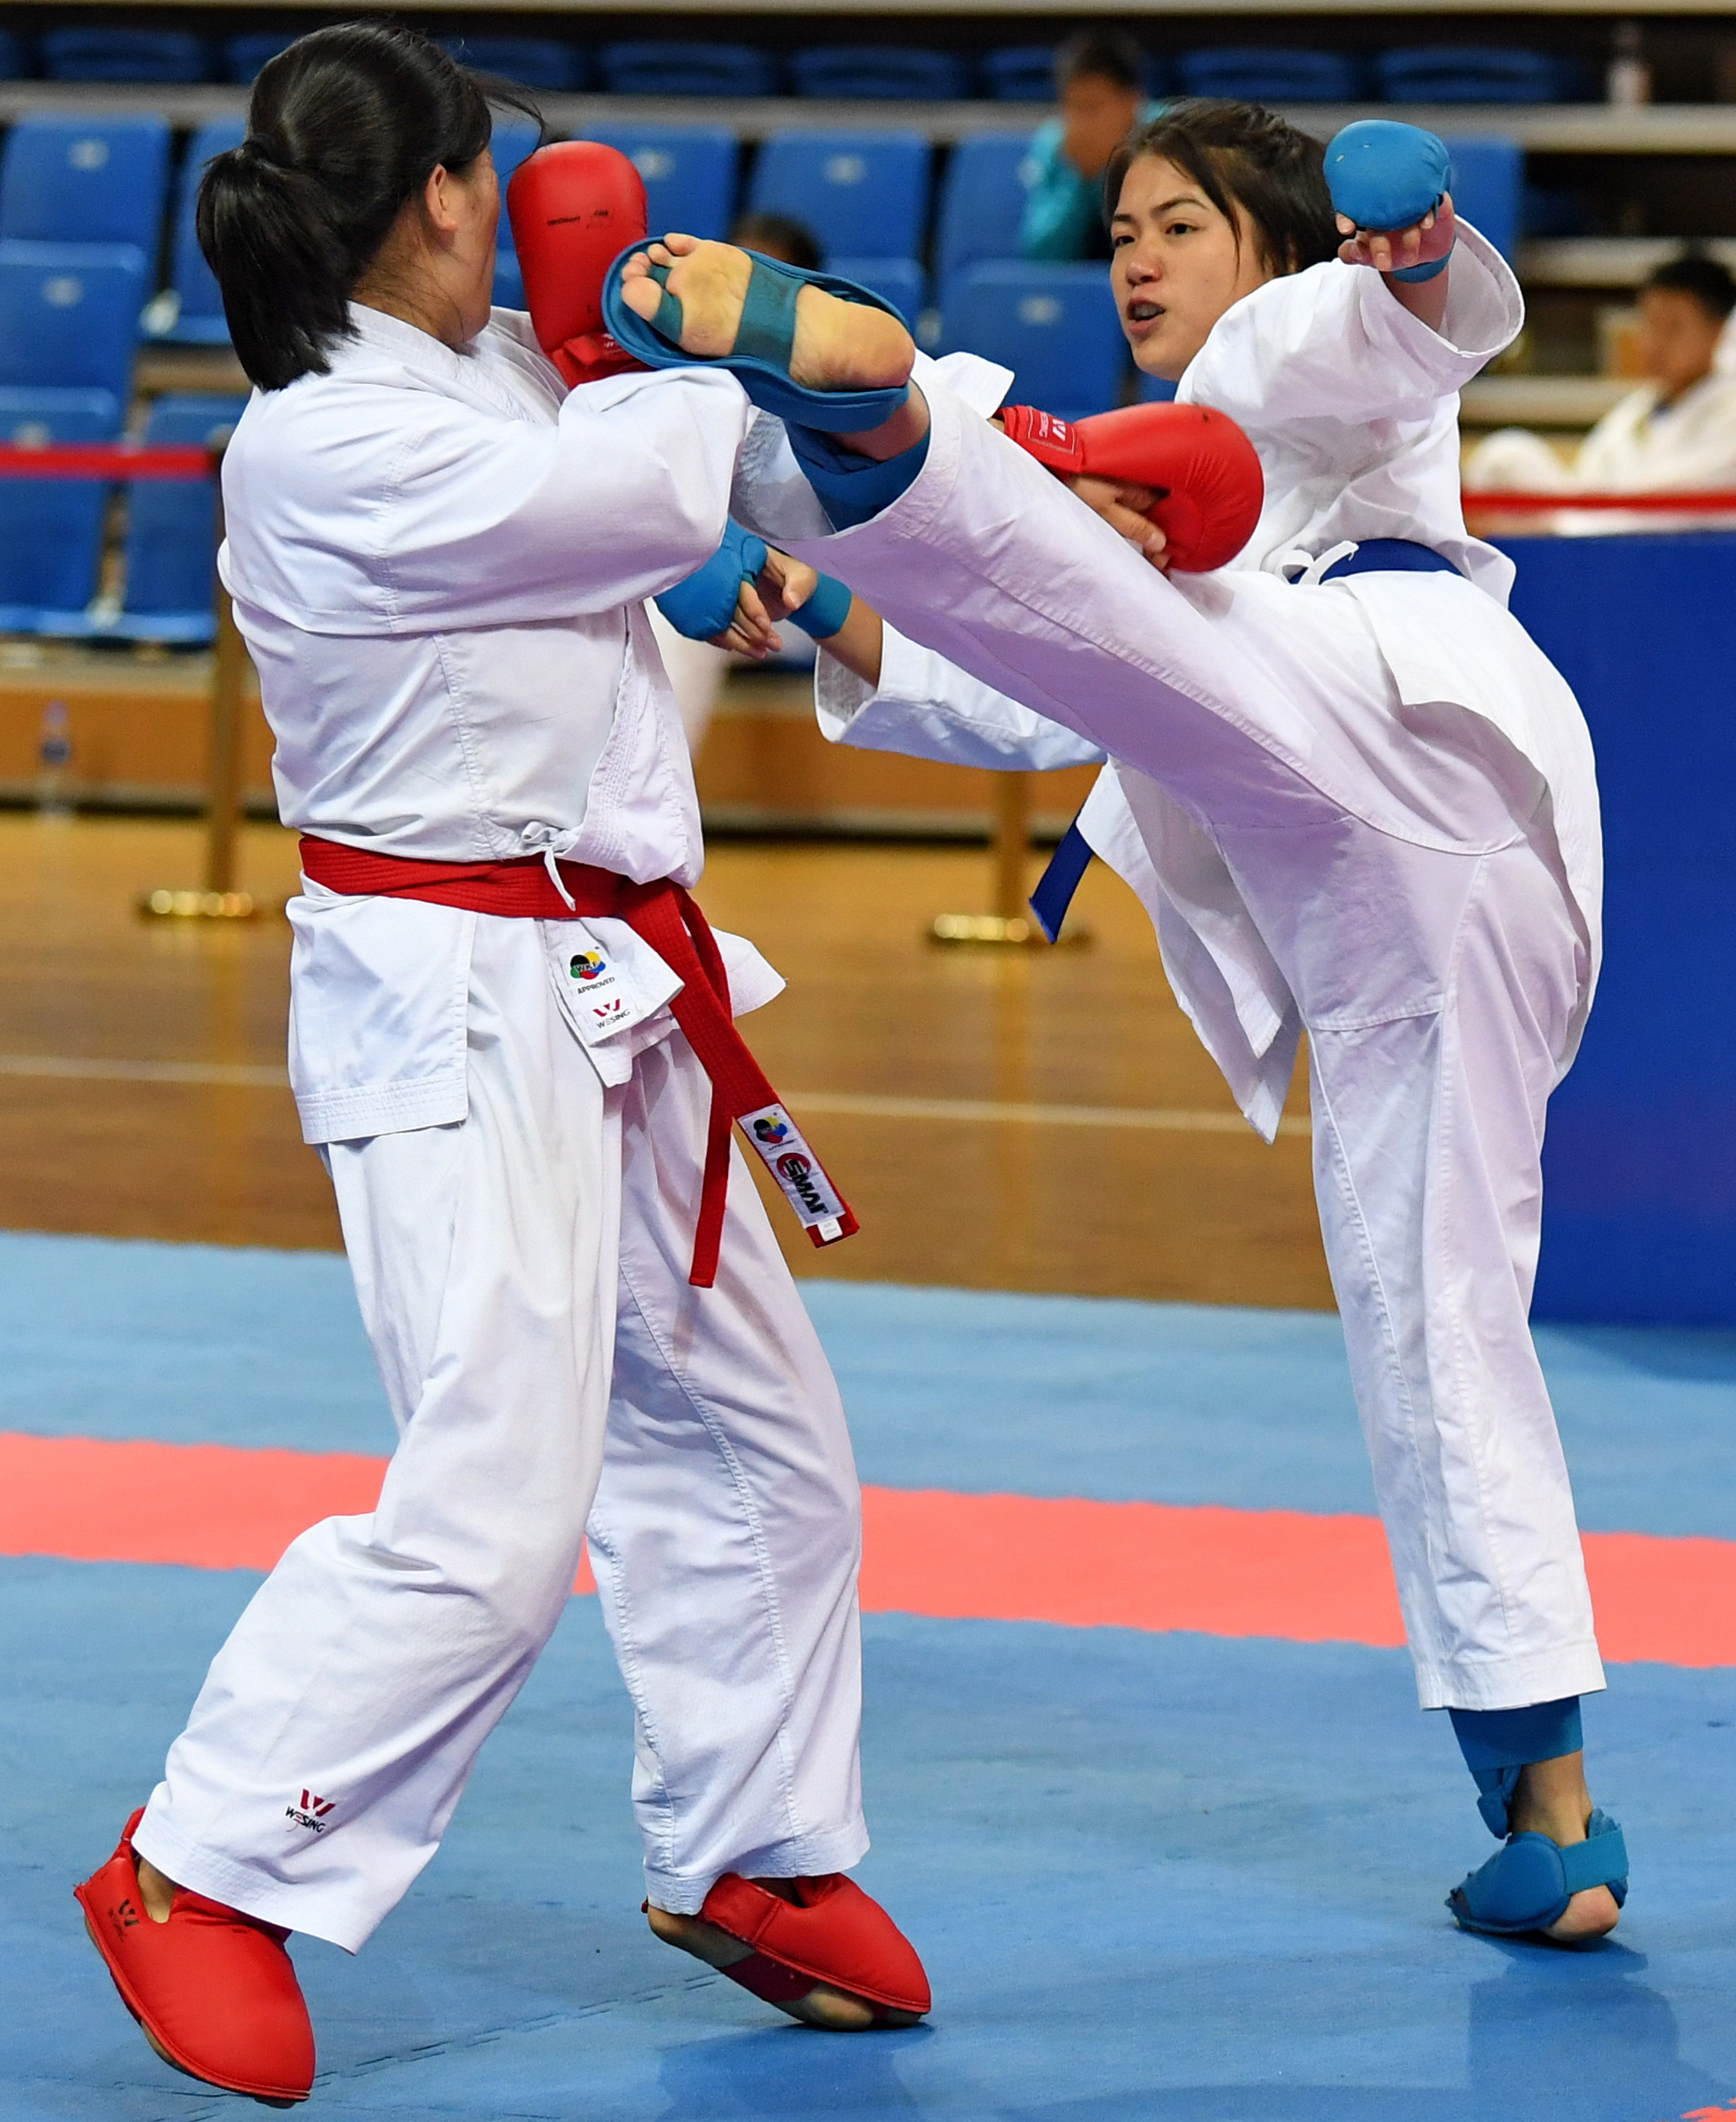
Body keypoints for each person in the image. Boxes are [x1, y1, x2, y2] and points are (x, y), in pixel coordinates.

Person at [603, 98, 1628, 1951]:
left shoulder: (1288, 349)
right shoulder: (1168, 486)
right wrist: (817, 611)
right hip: (1445, 866)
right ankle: (1544, 1808)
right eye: (1121, 235)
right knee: (1435, 1298)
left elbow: (1382, 335)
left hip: (1385, 718)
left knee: (1075, 545)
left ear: (1272, 242)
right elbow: (1036, 691)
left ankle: (849, 425)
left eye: (1176, 224)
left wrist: (1405, 259)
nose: (1137, 259)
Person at [72, 26, 929, 2104]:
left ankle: (752, 1847)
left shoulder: (499, 383)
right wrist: (685, 321)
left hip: (613, 987)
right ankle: (200, 1861)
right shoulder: (319, 440)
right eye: (508, 185)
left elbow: (742, 493)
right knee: (498, 1499)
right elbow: (630, 490)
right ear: (450, 197)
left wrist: (765, 388)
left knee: (765, 1449)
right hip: (448, 998)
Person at [647, 207, 829, 756]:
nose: (740, 304)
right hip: (701, 583)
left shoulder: (833, 393)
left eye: (760, 288)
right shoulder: (670, 382)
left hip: (804, 596)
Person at [1468, 251, 1736, 496]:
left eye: (1673, 328)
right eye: (1651, 324)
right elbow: (1585, 486)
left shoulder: (1729, 410)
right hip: (1593, 527)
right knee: (1506, 454)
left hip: (1663, 538)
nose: (1656, 344)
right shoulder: (1636, 411)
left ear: (1718, 332)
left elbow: (1678, 498)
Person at [1020, 32, 1160, 263]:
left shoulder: (1169, 140)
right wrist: (1081, 180)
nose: (1080, 124)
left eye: (1092, 107)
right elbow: (1041, 254)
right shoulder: (1054, 144)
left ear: (1132, 101)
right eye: (1072, 108)